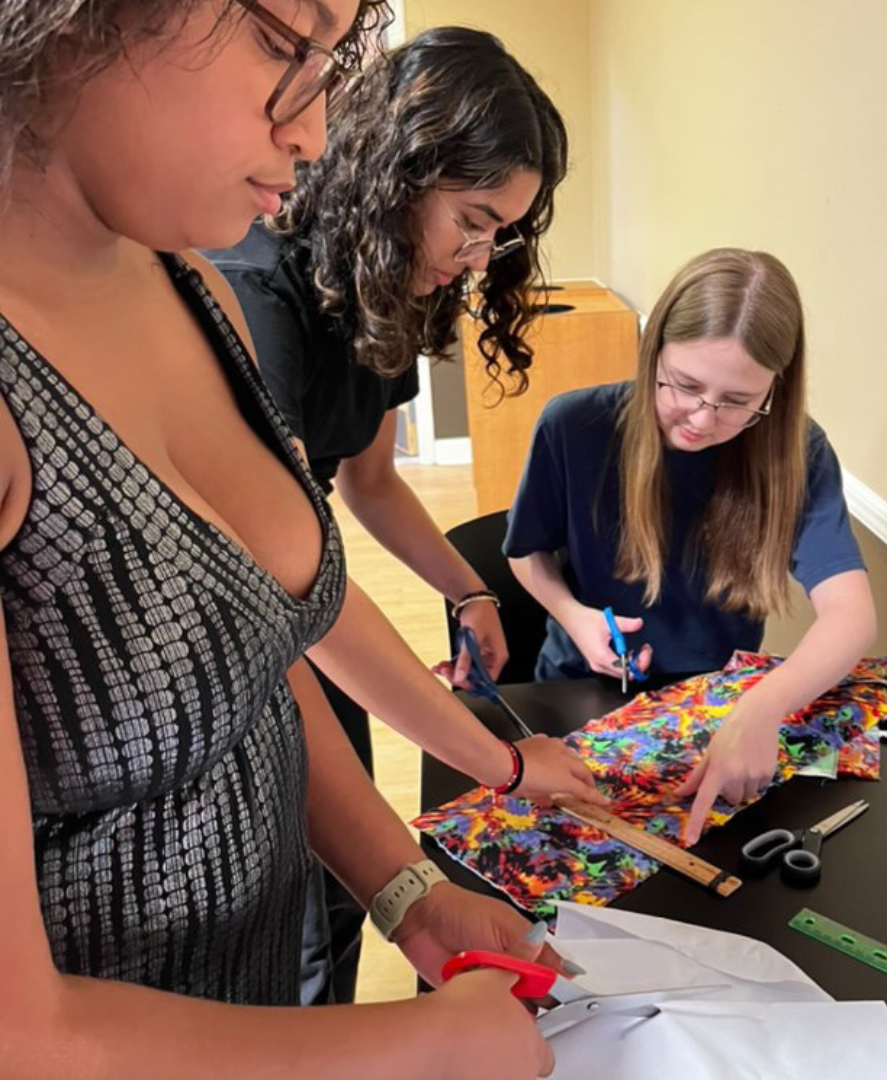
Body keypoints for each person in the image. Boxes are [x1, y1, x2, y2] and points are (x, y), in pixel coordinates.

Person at [0, 2, 573, 1075]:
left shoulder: (190, 281)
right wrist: (415, 1047)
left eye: (332, 63)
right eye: (282, 45)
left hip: (252, 972)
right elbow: (18, 1029)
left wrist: (405, 889)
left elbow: (255, 646)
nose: (313, 128)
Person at [205, 26, 571, 1003]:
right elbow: (291, 587)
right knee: (287, 915)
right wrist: (497, 761)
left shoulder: (386, 286)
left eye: (504, 232)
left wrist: (466, 587)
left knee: (345, 891)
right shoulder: (254, 301)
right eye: (474, 218)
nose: (482, 253)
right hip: (248, 627)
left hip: (305, 596)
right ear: (397, 174)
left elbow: (367, 485)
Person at [505, 248, 877, 845]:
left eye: (737, 401)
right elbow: (527, 554)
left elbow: (852, 616)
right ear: (653, 353)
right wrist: (574, 619)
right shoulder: (573, 426)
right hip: (579, 696)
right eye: (685, 386)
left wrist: (760, 710)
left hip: (713, 705)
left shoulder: (796, 453)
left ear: (775, 390)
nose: (703, 420)